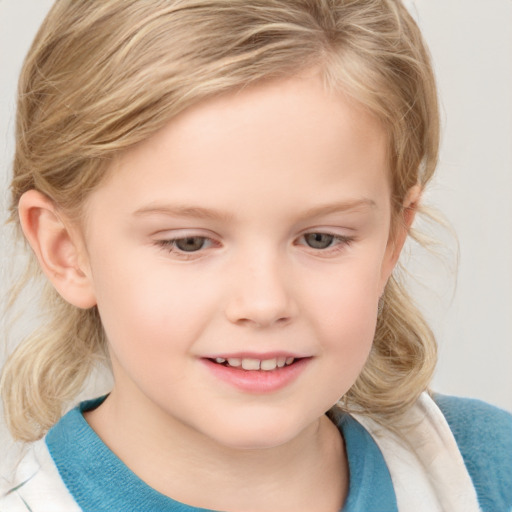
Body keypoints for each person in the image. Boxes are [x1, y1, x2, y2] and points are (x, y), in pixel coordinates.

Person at [0, 0, 510, 511]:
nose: (264, 303)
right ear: (66, 251)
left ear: (391, 241)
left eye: (321, 239)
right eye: (189, 242)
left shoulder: (484, 474)